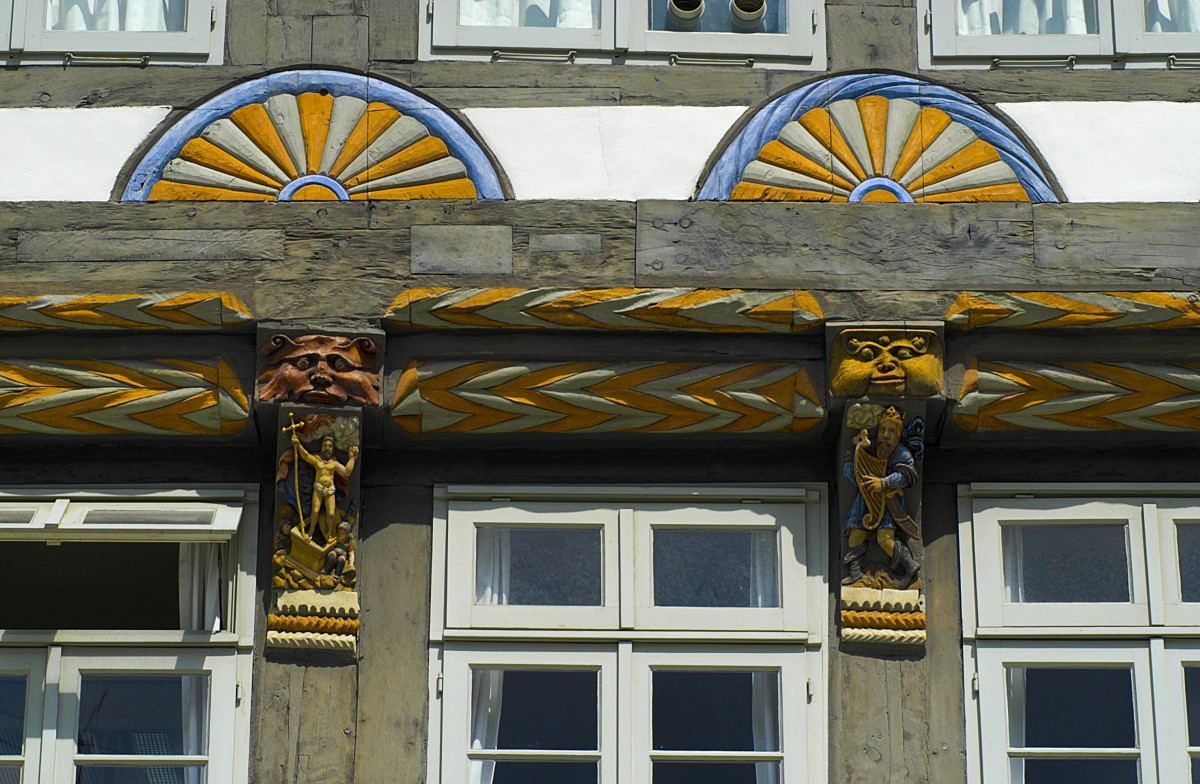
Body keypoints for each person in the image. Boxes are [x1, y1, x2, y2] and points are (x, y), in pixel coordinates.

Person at [841, 406, 921, 588]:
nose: (885, 435)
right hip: (864, 500)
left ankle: (910, 568)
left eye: (892, 431)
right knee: (856, 534)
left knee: (884, 539)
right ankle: (855, 574)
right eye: (883, 430)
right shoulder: (869, 450)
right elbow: (855, 474)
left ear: (899, 435)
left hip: (888, 501)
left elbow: (906, 475)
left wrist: (884, 483)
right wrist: (851, 464)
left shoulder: (901, 453)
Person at [291, 433, 359, 543]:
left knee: (331, 514)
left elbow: (346, 472)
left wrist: (352, 458)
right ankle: (311, 531)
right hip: (318, 489)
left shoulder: (334, 464)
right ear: (322, 447)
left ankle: (329, 532)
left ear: (332, 449)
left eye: (330, 446)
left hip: (330, 491)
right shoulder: (317, 461)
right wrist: (298, 445)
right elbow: (306, 456)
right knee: (315, 511)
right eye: (325, 445)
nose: (327, 448)